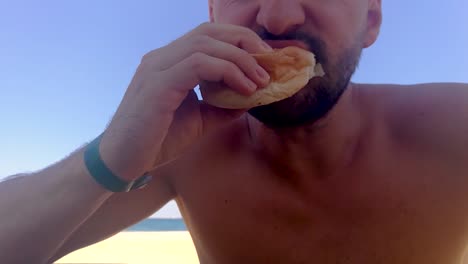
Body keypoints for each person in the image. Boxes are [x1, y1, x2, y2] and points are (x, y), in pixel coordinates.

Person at [1, 0, 468, 263]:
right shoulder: (180, 149)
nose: (276, 19)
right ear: (214, 18)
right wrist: (109, 160)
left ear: (371, 21)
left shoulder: (456, 126)